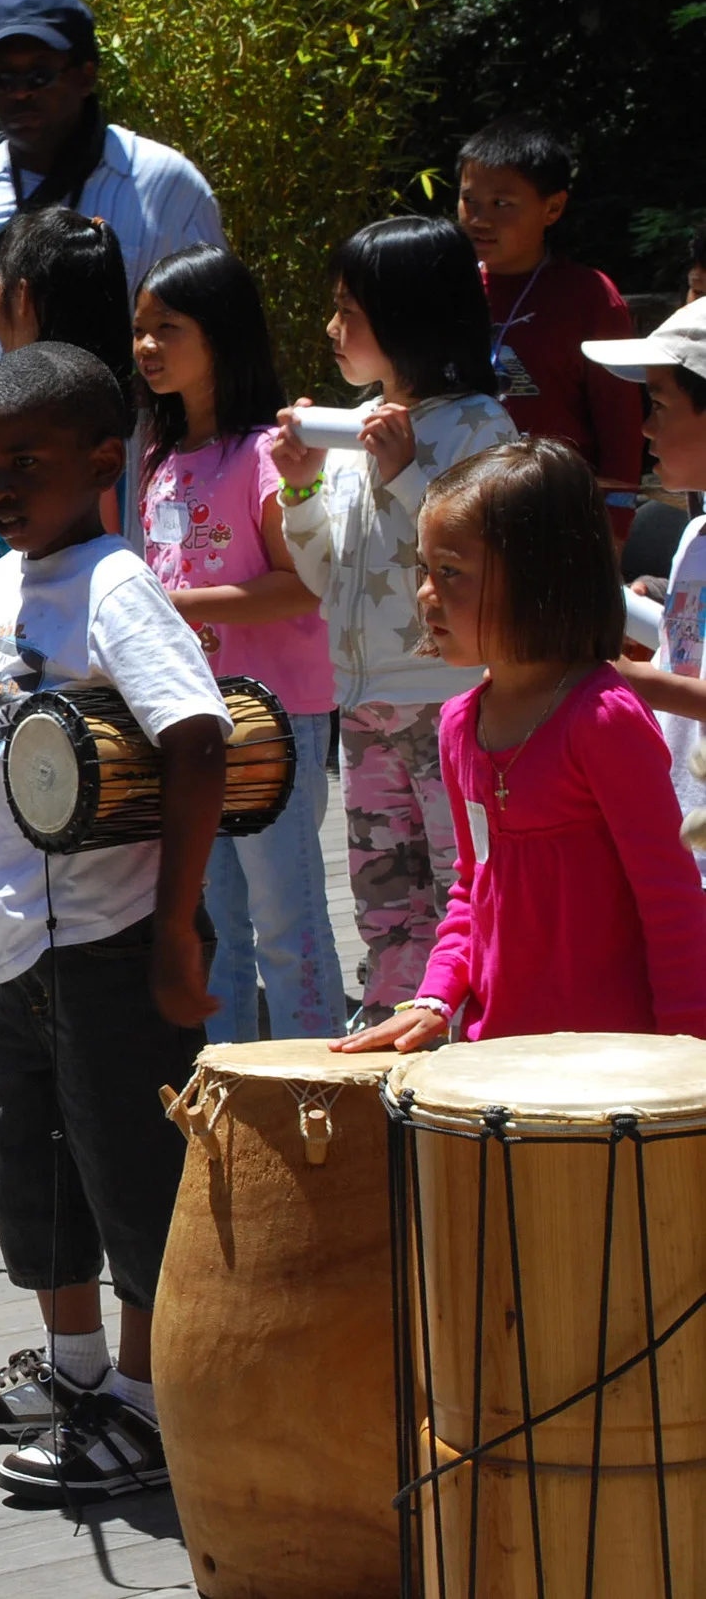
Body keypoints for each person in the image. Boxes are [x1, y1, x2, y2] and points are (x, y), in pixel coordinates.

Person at [0, 342, 228, 1505]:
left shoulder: (116, 584)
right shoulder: (8, 578)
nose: (3, 486)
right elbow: (18, 745)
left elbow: (194, 735)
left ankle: (148, 1399)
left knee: (130, 1172)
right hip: (18, 943)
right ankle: (77, 1370)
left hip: (113, 940)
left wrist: (175, 931)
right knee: (30, 1167)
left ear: (101, 460)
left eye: (27, 461)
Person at [336, 439, 706, 1050]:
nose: (427, 593)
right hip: (500, 1059)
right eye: (424, 569)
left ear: (541, 578)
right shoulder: (458, 724)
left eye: (450, 571)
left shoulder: (603, 720)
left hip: (615, 1066)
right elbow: (471, 888)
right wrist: (436, 995)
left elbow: (670, 901)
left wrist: (686, 1057)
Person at [275, 216, 517, 1028]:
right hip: (366, 704)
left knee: (465, 884)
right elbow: (321, 574)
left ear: (410, 315)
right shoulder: (355, 427)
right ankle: (391, 1028)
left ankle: (478, 1031)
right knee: (385, 899)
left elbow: (472, 555)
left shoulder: (480, 426)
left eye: (350, 310)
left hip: (448, 700)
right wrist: (302, 489)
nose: (332, 327)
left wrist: (409, 474)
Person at [131, 245, 342, 1042]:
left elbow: (301, 583)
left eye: (168, 328)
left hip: (274, 721)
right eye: (140, 329)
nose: (148, 346)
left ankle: (315, 1092)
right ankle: (230, 1091)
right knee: (213, 923)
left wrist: (171, 604)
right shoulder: (158, 459)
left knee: (287, 921)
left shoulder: (264, 454)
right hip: (191, 725)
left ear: (221, 335)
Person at [0, 0, 222, 409]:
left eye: (39, 75)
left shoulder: (167, 190)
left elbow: (221, 348)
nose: (20, 93)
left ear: (86, 74)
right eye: (3, 78)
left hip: (126, 469)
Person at [0, 207, 138, 643]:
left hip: (36, 677)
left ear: (21, 296)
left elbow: (86, 585)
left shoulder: (67, 424)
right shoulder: (77, 419)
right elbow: (23, 536)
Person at [455, 115, 646, 529]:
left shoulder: (588, 296)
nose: (480, 218)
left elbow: (621, 429)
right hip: (454, 509)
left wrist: (614, 528)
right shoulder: (444, 287)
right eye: (470, 201)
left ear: (553, 207)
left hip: (557, 517)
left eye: (502, 203)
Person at [588, 300, 706, 880]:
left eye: (659, 405)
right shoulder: (697, 535)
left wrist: (626, 680)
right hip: (683, 844)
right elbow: (681, 668)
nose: (644, 427)